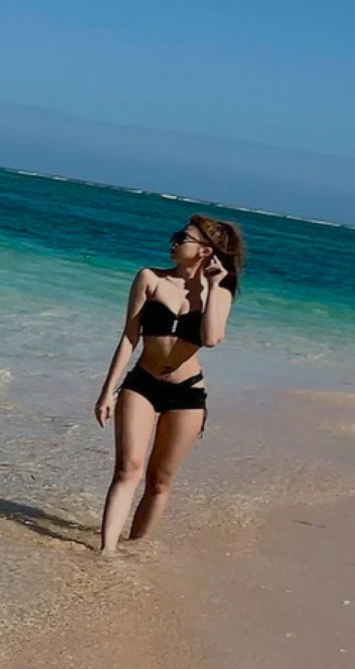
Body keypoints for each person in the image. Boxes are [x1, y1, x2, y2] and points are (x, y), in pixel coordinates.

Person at [92, 215, 245, 553]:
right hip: (142, 383)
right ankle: (106, 553)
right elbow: (129, 338)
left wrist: (213, 288)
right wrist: (107, 391)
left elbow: (211, 339)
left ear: (205, 250)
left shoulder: (220, 293)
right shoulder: (150, 278)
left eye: (182, 237)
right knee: (127, 468)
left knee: (159, 480)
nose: (174, 241)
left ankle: (133, 551)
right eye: (176, 235)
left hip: (187, 393)